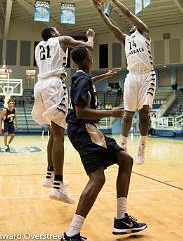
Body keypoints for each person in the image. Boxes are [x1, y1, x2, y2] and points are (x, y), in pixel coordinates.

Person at [62, 46, 147, 241]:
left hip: (88, 130)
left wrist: (105, 75)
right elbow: (81, 112)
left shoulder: (80, 77)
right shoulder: (82, 79)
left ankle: (121, 219)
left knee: (125, 159)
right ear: (88, 58)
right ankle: (71, 233)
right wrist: (111, 112)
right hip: (83, 130)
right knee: (97, 178)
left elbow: (89, 83)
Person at [32, 26, 95, 203]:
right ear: (52, 33)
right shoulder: (61, 40)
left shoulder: (38, 47)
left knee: (54, 132)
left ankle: (50, 175)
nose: (59, 32)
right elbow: (86, 47)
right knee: (59, 134)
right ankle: (58, 186)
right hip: (53, 85)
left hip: (40, 86)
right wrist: (90, 37)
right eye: (56, 30)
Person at [94, 0, 156, 164]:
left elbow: (127, 14)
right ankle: (123, 145)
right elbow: (111, 27)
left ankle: (142, 146)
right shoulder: (126, 39)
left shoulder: (144, 31)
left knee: (144, 113)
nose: (130, 25)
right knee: (127, 114)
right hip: (132, 76)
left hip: (147, 75)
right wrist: (100, 11)